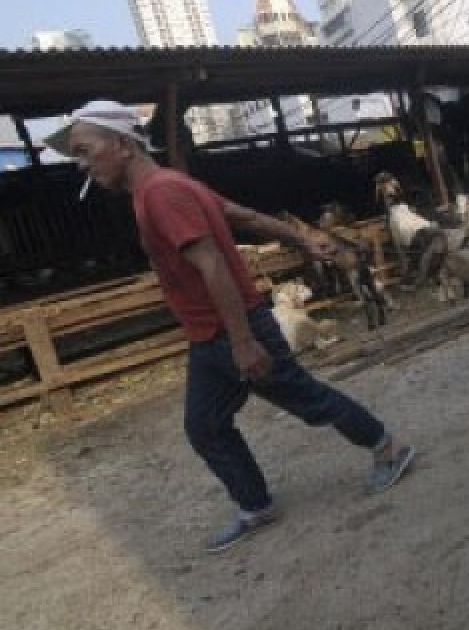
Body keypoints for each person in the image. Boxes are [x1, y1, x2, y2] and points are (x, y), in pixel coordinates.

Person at [47, 101, 416, 553]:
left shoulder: (161, 193)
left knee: (308, 399)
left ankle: (388, 447)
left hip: (233, 330)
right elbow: (244, 216)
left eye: (85, 151)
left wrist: (243, 342)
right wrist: (302, 238)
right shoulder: (170, 186)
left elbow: (212, 264)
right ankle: (255, 504)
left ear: (123, 145)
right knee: (205, 425)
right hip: (209, 338)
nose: (81, 164)